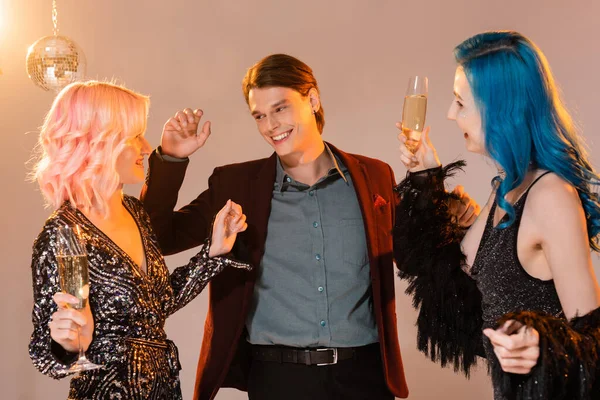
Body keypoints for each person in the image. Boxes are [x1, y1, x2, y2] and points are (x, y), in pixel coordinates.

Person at [140, 53, 478, 399]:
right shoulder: (235, 185)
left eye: (281, 108)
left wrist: (438, 201)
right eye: (260, 115)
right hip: (278, 379)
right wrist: (171, 158)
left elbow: (412, 258)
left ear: (312, 99)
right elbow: (157, 238)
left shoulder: (373, 177)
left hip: (364, 378)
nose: (271, 125)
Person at [394, 30, 600, 400]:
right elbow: (453, 289)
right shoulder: (506, 185)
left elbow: (593, 336)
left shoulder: (551, 196)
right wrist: (427, 176)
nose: (449, 114)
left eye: (460, 103)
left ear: (499, 109)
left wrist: (540, 343)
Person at [29, 81, 251, 400]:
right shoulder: (66, 234)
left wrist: (213, 254)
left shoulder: (134, 211)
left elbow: (157, 304)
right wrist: (67, 346)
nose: (147, 147)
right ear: (100, 141)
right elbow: (46, 353)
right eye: (134, 136)